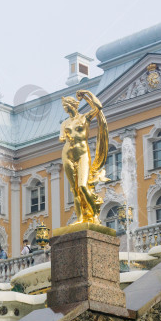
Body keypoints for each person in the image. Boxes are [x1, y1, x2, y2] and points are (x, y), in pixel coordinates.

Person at [60, 90, 109, 225]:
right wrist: (65, 137)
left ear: (73, 105)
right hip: (67, 154)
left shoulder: (84, 117)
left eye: (66, 105)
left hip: (82, 154)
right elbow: (61, 137)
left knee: (82, 186)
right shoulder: (64, 123)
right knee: (74, 190)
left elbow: (98, 107)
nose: (65, 108)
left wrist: (87, 94)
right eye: (64, 106)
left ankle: (94, 216)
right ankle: (81, 218)